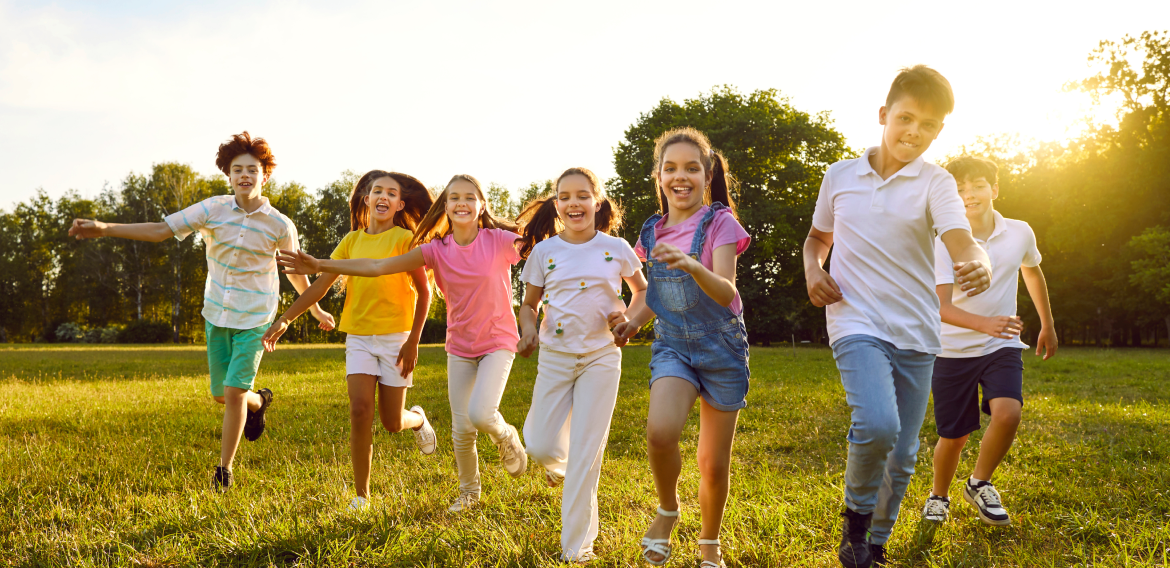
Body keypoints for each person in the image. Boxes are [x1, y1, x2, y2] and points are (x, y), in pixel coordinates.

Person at [68, 131, 335, 492]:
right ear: (228, 174)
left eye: (252, 169)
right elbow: (162, 230)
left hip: (256, 317)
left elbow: (295, 272)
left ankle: (224, 470)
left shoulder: (280, 225)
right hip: (217, 314)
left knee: (235, 393)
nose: (244, 175)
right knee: (222, 395)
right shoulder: (212, 209)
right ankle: (260, 403)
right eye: (237, 169)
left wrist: (315, 311)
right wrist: (104, 229)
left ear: (264, 175)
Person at [803, 66, 994, 568]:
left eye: (928, 125)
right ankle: (856, 523)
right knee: (878, 424)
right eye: (906, 118)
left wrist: (980, 262)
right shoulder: (840, 175)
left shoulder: (937, 182)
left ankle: (876, 544)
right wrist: (811, 270)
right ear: (884, 114)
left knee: (905, 452)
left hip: (916, 331)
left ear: (939, 132)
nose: (914, 132)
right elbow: (818, 238)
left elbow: (963, 240)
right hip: (855, 321)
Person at [277, 174, 527, 513]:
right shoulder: (432, 248)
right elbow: (375, 268)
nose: (462, 203)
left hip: (472, 340)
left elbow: (543, 251)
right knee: (445, 425)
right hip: (437, 344)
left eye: (470, 197)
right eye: (454, 198)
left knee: (444, 417)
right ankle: (458, 492)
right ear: (445, 206)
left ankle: (490, 433)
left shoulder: (493, 240)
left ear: (482, 204)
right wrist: (306, 286)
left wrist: (413, 340)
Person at [612, 127, 752, 568]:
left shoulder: (720, 222)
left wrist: (693, 264)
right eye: (670, 168)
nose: (681, 176)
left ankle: (709, 543)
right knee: (660, 432)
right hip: (673, 345)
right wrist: (629, 322)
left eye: (692, 168)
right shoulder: (650, 233)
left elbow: (726, 291)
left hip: (722, 348)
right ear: (658, 176)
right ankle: (668, 509)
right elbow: (652, 297)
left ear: (708, 175)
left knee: (712, 463)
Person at [261, 170, 438, 511]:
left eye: (391, 193)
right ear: (366, 200)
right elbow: (320, 285)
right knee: (359, 411)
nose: (383, 197)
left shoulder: (405, 239)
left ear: (400, 204)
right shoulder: (351, 241)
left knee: (391, 422)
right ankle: (361, 496)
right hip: (359, 337)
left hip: (396, 338)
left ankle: (416, 418)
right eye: (376, 191)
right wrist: (285, 317)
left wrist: (413, 340)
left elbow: (424, 292)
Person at [515, 167, 647, 563]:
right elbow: (528, 304)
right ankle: (568, 470)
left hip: (602, 357)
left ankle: (578, 549)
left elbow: (642, 291)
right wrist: (528, 330)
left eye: (582, 195)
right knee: (538, 443)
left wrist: (630, 322)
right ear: (557, 205)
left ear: (597, 201)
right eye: (565, 196)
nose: (574, 203)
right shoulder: (545, 252)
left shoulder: (617, 247)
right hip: (555, 357)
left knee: (587, 452)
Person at [921, 156, 1058, 527]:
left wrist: (1047, 323)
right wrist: (986, 324)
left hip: (1000, 346)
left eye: (978, 186)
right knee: (954, 436)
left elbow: (1031, 270)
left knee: (1009, 412)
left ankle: (979, 483)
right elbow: (941, 308)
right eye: (959, 189)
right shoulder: (941, 242)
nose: (970, 195)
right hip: (950, 350)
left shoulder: (1019, 231)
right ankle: (939, 496)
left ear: (994, 189)